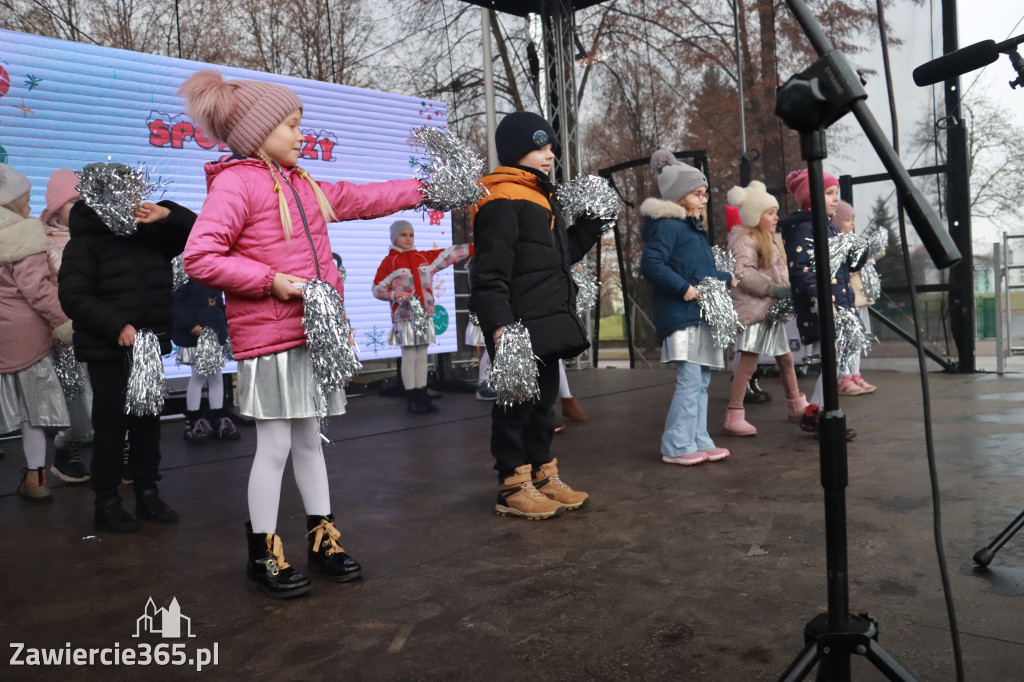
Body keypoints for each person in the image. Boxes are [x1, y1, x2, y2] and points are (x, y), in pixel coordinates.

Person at [180, 70, 425, 597]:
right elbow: (200, 256)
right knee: (272, 446)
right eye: (289, 125)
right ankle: (262, 552)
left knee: (310, 440)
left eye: (299, 125)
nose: (299, 135)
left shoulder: (304, 183)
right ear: (255, 130)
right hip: (269, 340)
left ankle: (323, 539)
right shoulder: (236, 183)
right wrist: (273, 282)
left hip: (314, 336)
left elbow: (365, 198)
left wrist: (426, 190)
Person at [470, 111, 601, 519]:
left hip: (546, 321)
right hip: (516, 328)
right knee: (515, 406)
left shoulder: (542, 196)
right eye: (540, 147)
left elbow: (554, 259)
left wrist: (594, 224)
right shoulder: (500, 197)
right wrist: (499, 329)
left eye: (550, 148)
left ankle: (543, 475)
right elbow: (488, 273)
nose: (549, 156)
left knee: (543, 404)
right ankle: (512, 484)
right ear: (516, 151)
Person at [58, 163, 194, 531]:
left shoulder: (149, 233)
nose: (133, 199)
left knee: (148, 422)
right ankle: (107, 500)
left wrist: (168, 212)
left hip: (148, 348)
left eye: (136, 191)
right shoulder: (84, 242)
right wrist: (115, 325)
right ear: (101, 195)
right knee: (111, 426)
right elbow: (73, 296)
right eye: (124, 192)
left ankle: (148, 492)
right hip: (107, 350)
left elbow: (200, 233)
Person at [640, 150, 735, 466]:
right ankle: (677, 443)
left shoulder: (692, 230)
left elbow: (699, 273)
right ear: (679, 195)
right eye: (698, 193)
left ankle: (697, 439)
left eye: (705, 193)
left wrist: (727, 278)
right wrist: (683, 290)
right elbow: (651, 264)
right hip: (683, 317)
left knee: (701, 381)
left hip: (697, 315)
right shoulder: (669, 227)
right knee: (691, 380)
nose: (704, 199)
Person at [0, 164, 74, 502]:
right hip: (25, 337)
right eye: (26, 201)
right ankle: (36, 479)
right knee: (34, 412)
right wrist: (64, 322)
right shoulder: (24, 233)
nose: (31, 208)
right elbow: (38, 290)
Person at [779, 169, 862, 440]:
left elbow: (843, 267)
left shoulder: (830, 227)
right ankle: (819, 414)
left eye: (836, 193)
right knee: (833, 360)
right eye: (829, 193)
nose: (836, 199)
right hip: (823, 307)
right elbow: (800, 272)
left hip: (838, 304)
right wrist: (819, 297)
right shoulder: (803, 229)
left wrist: (859, 255)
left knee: (834, 361)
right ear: (810, 197)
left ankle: (816, 411)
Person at [722, 181, 809, 436]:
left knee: (787, 360)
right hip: (756, 310)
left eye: (775, 212)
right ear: (754, 216)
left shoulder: (772, 240)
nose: (776, 217)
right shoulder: (745, 239)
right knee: (749, 363)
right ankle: (734, 414)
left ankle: (796, 405)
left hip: (771, 312)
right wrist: (774, 289)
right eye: (770, 213)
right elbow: (742, 272)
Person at [372, 219, 471, 414]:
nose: (408, 238)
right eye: (403, 235)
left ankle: (422, 393)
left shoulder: (424, 258)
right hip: (404, 317)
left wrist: (475, 248)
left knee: (422, 355)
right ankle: (412, 397)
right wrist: (395, 295)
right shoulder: (389, 262)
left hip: (424, 316)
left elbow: (449, 254)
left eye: (411, 235)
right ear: (394, 237)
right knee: (409, 356)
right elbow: (377, 289)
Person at [40, 168, 94, 483]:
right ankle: (65, 448)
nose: (83, 208)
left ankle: (119, 454)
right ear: (57, 206)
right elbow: (43, 291)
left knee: (113, 399)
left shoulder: (98, 237)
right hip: (66, 337)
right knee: (78, 409)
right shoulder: (42, 243)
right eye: (75, 201)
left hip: (101, 331)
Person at [172, 278, 238, 442]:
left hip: (213, 336)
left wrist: (225, 323)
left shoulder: (213, 279)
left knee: (216, 376)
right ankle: (193, 422)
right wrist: (190, 324)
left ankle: (217, 418)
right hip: (197, 336)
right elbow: (176, 303)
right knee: (199, 376)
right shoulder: (185, 277)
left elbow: (218, 305)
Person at [833, 200, 877, 395]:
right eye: (848, 220)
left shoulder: (852, 241)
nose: (852, 224)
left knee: (857, 339)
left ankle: (855, 374)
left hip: (856, 299)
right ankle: (844, 376)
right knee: (843, 340)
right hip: (845, 301)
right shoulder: (834, 244)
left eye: (853, 220)